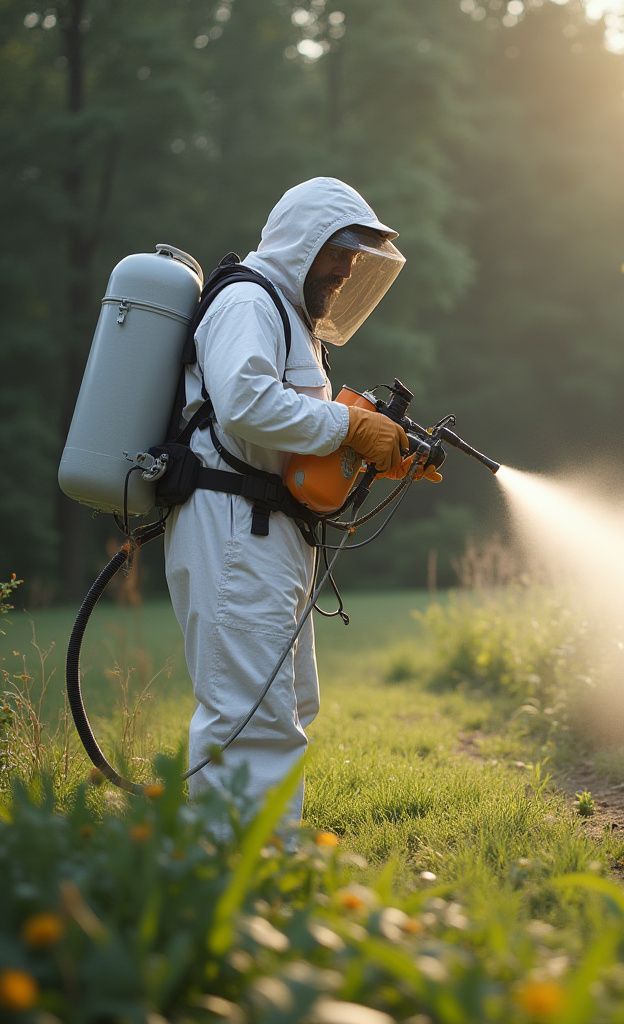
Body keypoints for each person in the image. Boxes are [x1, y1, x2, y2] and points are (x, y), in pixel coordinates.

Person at [164, 177, 415, 831]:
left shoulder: (291, 318)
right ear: (303, 242)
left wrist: (371, 450)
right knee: (251, 714)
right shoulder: (249, 300)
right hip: (233, 528)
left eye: (356, 259)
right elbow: (247, 404)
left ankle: (251, 877)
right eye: (340, 253)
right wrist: (351, 428)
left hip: (266, 530)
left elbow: (291, 432)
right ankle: (247, 888)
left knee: (286, 702)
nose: (346, 271)